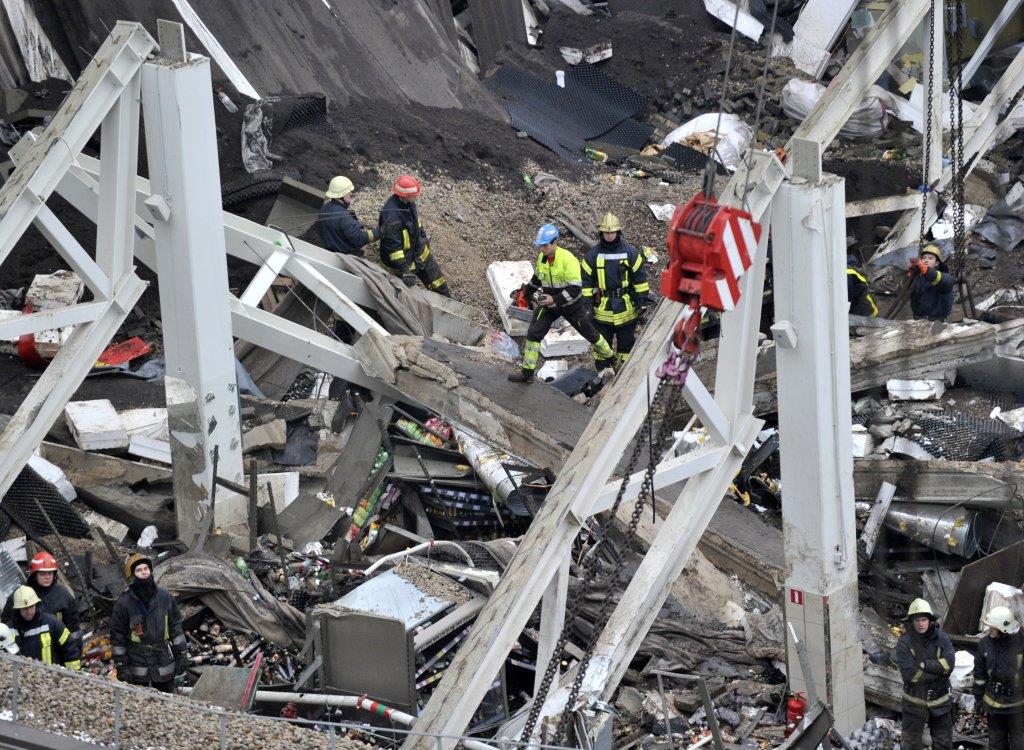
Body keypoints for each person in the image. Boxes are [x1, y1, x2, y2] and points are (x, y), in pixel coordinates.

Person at [508, 223, 614, 383]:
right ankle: (527, 373)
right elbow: (537, 278)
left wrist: (555, 299)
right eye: (540, 246)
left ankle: (612, 359)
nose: (542, 249)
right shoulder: (542, 258)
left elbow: (575, 289)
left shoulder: (568, 259)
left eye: (545, 245)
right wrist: (528, 291)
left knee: (591, 335)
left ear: (555, 242)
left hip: (572, 306)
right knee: (534, 333)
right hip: (550, 306)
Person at [581, 213, 650, 370]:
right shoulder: (592, 255)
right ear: (601, 233)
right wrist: (587, 304)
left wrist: (642, 301)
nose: (609, 235)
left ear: (618, 232)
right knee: (602, 345)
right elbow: (585, 281)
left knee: (626, 343)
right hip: (602, 308)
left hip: (626, 307)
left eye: (612, 232)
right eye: (606, 232)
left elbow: (640, 279)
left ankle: (626, 373)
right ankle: (602, 375)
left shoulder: (631, 253)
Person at [110, 553, 187, 693]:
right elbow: (117, 637)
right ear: (132, 575)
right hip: (137, 666)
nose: (144, 572)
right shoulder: (123, 604)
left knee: (166, 703)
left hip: (163, 663)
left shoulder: (165, 597)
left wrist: (181, 653)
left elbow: (175, 626)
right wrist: (121, 664)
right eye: (139, 570)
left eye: (146, 568)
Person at [895, 598, 954, 750]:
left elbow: (949, 664)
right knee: (909, 745)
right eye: (916, 620)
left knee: (943, 744)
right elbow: (910, 675)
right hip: (913, 703)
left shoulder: (942, 638)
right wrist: (939, 673)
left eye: (923, 619)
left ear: (929, 620)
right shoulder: (904, 643)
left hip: (940, 701)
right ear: (911, 622)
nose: (920, 624)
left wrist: (924, 665)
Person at [378, 175, 450, 296]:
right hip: (402, 263)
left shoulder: (409, 204)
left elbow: (417, 224)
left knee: (438, 283)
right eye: (414, 195)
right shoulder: (391, 216)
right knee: (404, 296)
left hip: (419, 253)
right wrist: (405, 270)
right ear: (404, 196)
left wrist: (424, 239)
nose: (417, 196)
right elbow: (393, 248)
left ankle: (448, 302)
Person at [973, 606, 1024, 749]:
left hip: (1017, 707)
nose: (989, 630)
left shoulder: (1021, 644)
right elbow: (979, 674)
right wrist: (978, 699)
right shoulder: (985, 644)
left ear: (1003, 629)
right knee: (996, 744)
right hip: (993, 705)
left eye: (993, 627)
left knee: (1019, 745)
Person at [1, 551, 79, 633]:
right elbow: (6, 626)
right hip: (30, 643)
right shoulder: (20, 594)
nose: (47, 577)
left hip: (57, 642)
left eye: (50, 573)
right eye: (42, 573)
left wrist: (73, 642)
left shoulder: (62, 594)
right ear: (34, 575)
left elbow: (73, 625)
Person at [8, 585, 80, 669]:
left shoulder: (51, 623)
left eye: (31, 606)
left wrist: (73, 674)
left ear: (36, 604)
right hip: (23, 678)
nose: (29, 611)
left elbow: (69, 647)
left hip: (52, 676)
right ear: (17, 609)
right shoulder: (9, 629)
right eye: (24, 608)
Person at [317, 175, 381, 256]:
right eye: (348, 192)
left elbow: (336, 227)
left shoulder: (325, 208)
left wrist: (355, 224)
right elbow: (359, 239)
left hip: (330, 249)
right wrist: (380, 231)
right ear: (341, 195)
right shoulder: (345, 218)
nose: (351, 193)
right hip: (344, 256)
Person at [908, 244, 955, 322]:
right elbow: (903, 294)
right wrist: (910, 276)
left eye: (930, 258)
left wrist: (927, 271)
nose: (926, 260)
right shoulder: (918, 278)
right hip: (917, 321)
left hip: (937, 323)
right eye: (924, 258)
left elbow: (946, 282)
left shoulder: (945, 277)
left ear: (937, 263)